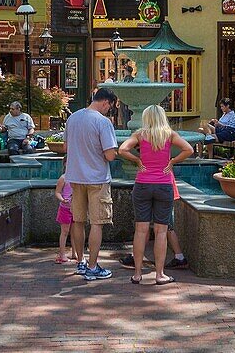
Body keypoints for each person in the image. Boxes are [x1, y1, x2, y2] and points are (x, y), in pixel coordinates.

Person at [118, 104, 193, 285]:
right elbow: (189, 149)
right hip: (163, 185)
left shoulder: (140, 134)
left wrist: (137, 160)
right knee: (161, 231)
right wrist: (173, 161)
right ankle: (159, 275)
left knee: (140, 230)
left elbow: (122, 149)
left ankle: (137, 274)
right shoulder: (169, 134)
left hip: (142, 184)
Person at [63, 87, 119, 281]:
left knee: (77, 221)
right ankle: (93, 267)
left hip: (75, 177)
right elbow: (110, 155)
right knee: (97, 222)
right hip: (97, 179)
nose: (108, 111)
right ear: (106, 102)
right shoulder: (103, 122)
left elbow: (65, 147)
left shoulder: (73, 118)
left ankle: (80, 262)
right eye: (110, 107)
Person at [54, 173, 77, 264]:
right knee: (65, 231)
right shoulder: (63, 178)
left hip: (76, 208)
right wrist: (63, 199)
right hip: (65, 208)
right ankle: (62, 254)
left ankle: (75, 253)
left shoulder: (77, 176)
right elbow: (57, 192)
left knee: (75, 232)